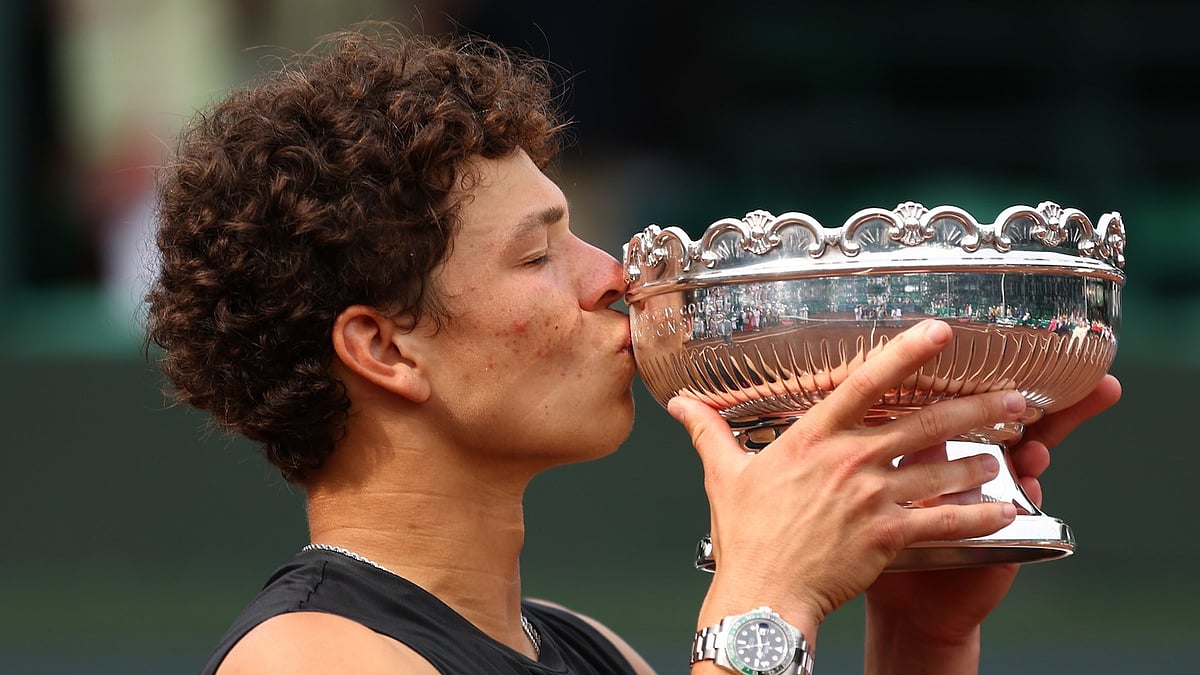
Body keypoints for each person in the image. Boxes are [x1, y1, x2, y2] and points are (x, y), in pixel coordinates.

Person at [144, 22, 1121, 675]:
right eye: (538, 253)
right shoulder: (311, 657)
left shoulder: (585, 649)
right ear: (384, 347)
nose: (611, 274)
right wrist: (764, 601)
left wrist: (917, 635)